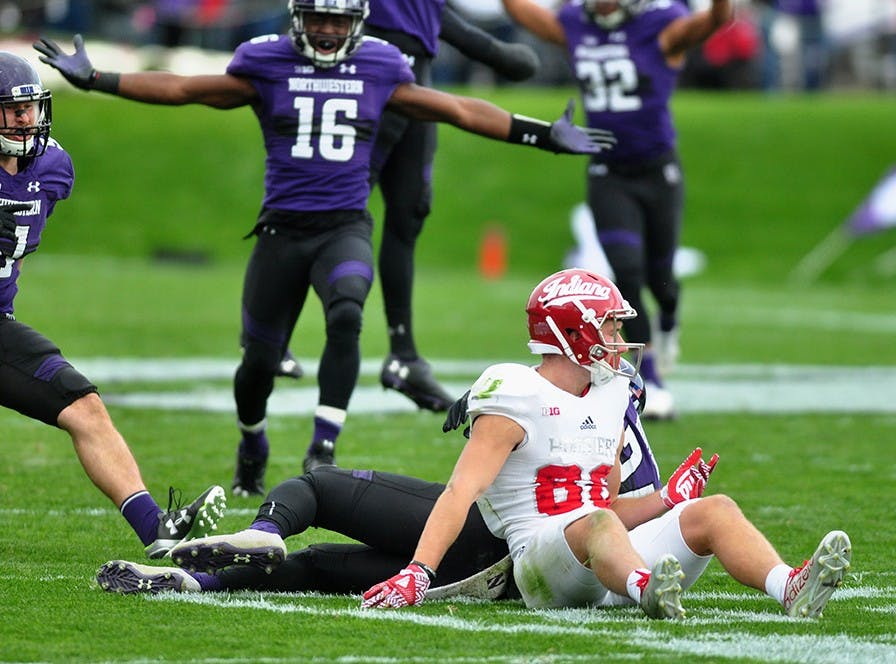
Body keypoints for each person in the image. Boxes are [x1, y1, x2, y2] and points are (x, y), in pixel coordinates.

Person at [33, 0, 613, 498]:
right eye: (318, 18)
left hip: (344, 227)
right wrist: (99, 79)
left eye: (338, 19)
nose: (329, 31)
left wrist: (539, 134)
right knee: (257, 362)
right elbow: (187, 89)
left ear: (358, 22)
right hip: (281, 232)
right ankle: (252, 437)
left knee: (347, 308)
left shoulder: (382, 64)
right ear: (297, 18)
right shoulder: (266, 60)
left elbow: (457, 109)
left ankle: (322, 446)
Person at [358, 268, 852, 619]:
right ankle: (646, 590)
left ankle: (788, 587)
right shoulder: (515, 392)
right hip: (541, 567)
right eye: (611, 326)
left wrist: (666, 502)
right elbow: (459, 492)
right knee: (597, 523)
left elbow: (608, 506)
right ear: (572, 332)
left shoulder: (614, 391)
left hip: (607, 559)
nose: (620, 337)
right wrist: (418, 572)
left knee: (713, 509)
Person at [93, 360, 661, 597]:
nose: (617, 335)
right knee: (316, 567)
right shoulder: (614, 398)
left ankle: (267, 529)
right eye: (610, 322)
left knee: (318, 486)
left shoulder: (538, 391)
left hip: (479, 539)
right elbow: (606, 502)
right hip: (515, 573)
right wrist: (665, 502)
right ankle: (195, 585)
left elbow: (465, 491)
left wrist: (419, 571)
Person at [0, 51, 226, 559]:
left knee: (85, 407)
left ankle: (157, 529)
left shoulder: (52, 168)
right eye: (11, 110)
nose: (24, 118)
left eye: (29, 108)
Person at [498, 0, 734, 420]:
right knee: (627, 271)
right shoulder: (575, 23)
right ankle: (654, 381)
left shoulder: (661, 25)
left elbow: (718, 20)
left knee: (662, 281)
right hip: (608, 170)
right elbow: (523, 13)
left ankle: (669, 321)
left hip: (658, 170)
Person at [359, 0, 540, 413]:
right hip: (362, 89)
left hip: (416, 90)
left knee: (409, 214)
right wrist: (503, 56)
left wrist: (499, 55)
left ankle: (403, 354)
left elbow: (441, 22)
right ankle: (273, 337)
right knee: (335, 213)